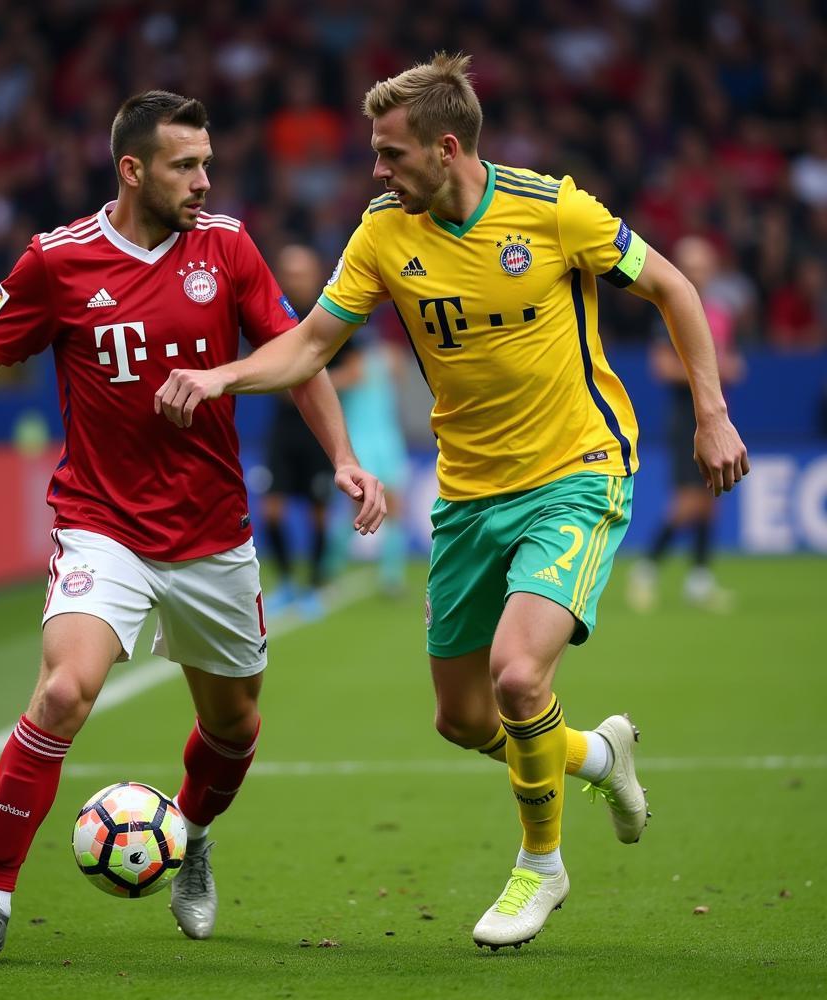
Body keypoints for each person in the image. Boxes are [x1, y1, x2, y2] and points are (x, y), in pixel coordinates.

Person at [155, 54, 749, 951]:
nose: (377, 170)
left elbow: (674, 287)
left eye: (390, 154)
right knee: (464, 717)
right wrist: (222, 376)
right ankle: (595, 754)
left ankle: (540, 867)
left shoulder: (553, 210)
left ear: (446, 147)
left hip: (577, 472)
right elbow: (313, 342)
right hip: (470, 494)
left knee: (517, 675)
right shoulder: (384, 231)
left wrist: (711, 414)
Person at [0, 90, 385, 966]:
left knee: (234, 728)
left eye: (208, 162)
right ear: (133, 169)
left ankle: (187, 832)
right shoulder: (57, 261)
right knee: (65, 691)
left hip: (213, 530)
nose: (205, 180)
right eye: (187, 165)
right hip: (102, 523)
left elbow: (296, 358)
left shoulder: (226, 247)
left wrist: (341, 455)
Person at [627, 236, 746, 613]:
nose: (696, 273)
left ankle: (699, 581)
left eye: (703, 266)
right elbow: (661, 366)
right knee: (688, 502)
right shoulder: (670, 311)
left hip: (717, 414)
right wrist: (714, 372)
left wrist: (729, 369)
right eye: (689, 267)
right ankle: (645, 569)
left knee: (712, 500)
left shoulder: (720, 313)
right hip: (686, 417)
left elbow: (725, 358)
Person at [257, 244, 340, 619]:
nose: (295, 281)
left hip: (317, 430)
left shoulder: (329, 316)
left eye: (301, 273)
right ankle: (289, 582)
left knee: (318, 512)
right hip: (282, 430)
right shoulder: (270, 317)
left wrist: (311, 381)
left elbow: (355, 369)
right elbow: (257, 366)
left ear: (315, 274)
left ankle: (315, 584)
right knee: (271, 509)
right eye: (288, 274)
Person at [327, 330, 410, 595]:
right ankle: (329, 566)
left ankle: (392, 577)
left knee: (395, 508)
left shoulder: (385, 358)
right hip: (360, 444)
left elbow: (400, 368)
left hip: (387, 440)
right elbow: (325, 386)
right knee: (358, 511)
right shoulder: (347, 371)